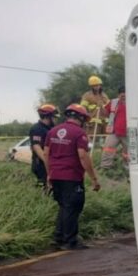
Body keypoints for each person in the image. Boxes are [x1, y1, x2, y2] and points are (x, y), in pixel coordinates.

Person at [46, 104, 101, 250]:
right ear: (81, 118)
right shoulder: (79, 133)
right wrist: (94, 178)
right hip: (71, 177)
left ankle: (59, 238)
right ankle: (70, 241)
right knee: (73, 206)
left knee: (64, 206)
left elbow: (46, 154)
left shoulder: (52, 131)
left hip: (55, 175)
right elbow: (83, 156)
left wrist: (49, 174)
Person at [29, 104, 57, 189]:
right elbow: (37, 147)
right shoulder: (37, 129)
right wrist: (47, 162)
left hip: (50, 164)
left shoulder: (50, 128)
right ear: (47, 117)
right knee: (45, 189)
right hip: (41, 165)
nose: (56, 119)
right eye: (54, 117)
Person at [100, 86, 127, 169]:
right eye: (121, 94)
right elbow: (105, 113)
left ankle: (128, 169)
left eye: (124, 94)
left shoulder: (134, 102)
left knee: (129, 152)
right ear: (118, 95)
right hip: (114, 132)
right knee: (108, 149)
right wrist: (101, 106)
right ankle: (105, 167)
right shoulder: (113, 102)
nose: (123, 96)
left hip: (128, 133)